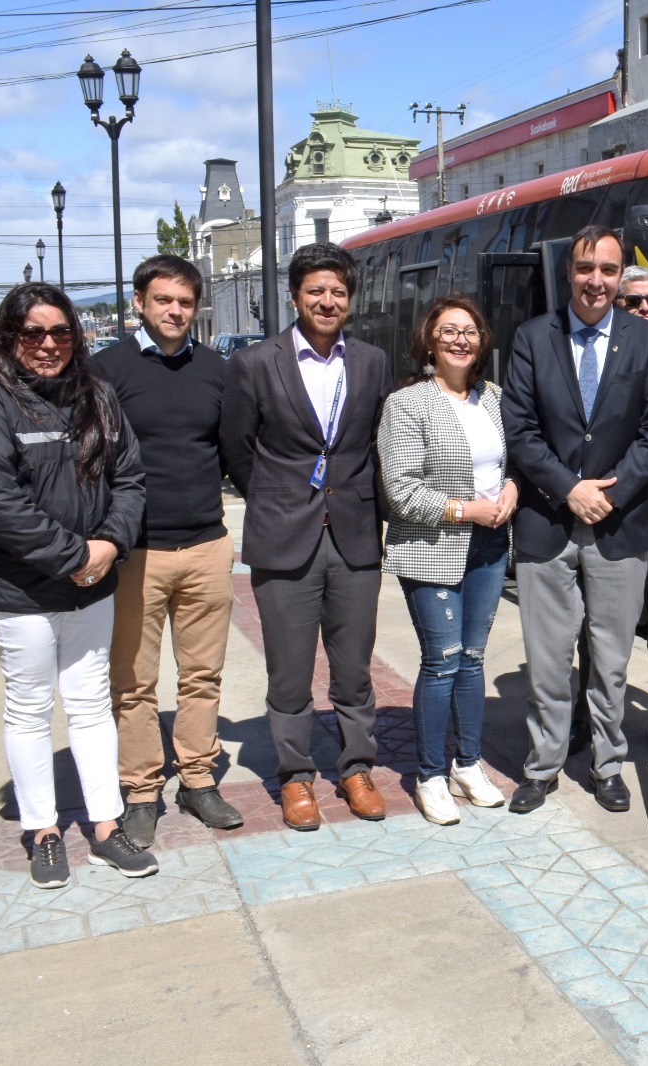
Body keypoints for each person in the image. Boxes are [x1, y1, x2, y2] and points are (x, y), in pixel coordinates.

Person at [0, 282, 155, 889]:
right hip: (19, 589)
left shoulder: (99, 398)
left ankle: (107, 827)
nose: (49, 344)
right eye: (34, 333)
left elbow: (130, 478)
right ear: (9, 339)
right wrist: (74, 556)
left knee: (89, 705)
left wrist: (109, 545)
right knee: (30, 708)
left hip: (90, 582)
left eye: (61, 332)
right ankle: (44, 830)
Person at [500, 225, 648, 814]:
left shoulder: (644, 342)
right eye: (584, 268)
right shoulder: (532, 337)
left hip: (620, 526)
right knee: (548, 660)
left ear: (618, 275)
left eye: (607, 270)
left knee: (612, 660)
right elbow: (519, 430)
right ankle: (542, 767)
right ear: (567, 272)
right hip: (547, 520)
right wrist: (569, 489)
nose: (595, 280)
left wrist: (610, 494)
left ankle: (607, 765)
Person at [220, 243, 393, 831]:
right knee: (289, 670)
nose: (327, 301)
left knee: (354, 668)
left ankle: (356, 767)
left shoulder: (371, 362)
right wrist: (278, 497)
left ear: (350, 300)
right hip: (283, 534)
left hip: (354, 536)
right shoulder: (254, 363)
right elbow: (238, 451)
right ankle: (295, 778)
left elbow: (373, 443)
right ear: (294, 296)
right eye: (316, 290)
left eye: (338, 292)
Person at [96, 256, 242, 847]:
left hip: (206, 543)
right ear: (139, 302)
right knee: (133, 683)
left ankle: (198, 780)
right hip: (137, 553)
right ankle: (140, 792)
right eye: (163, 300)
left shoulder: (217, 370)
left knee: (202, 675)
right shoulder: (105, 370)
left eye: (185, 301)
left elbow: (234, 452)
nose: (175, 311)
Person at [377, 296, 516, 825]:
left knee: (474, 659)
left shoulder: (496, 399)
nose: (460, 339)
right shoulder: (408, 404)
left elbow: (512, 459)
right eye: (449, 331)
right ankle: (430, 774)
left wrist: (510, 489)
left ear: (482, 342)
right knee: (442, 659)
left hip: (488, 546)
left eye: (471, 331)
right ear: (429, 341)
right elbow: (400, 492)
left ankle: (468, 763)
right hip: (432, 547)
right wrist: (467, 509)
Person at [570, 265, 648, 756]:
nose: (644, 309)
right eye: (632, 302)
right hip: (611, 504)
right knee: (596, 623)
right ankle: (585, 716)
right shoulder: (601, 355)